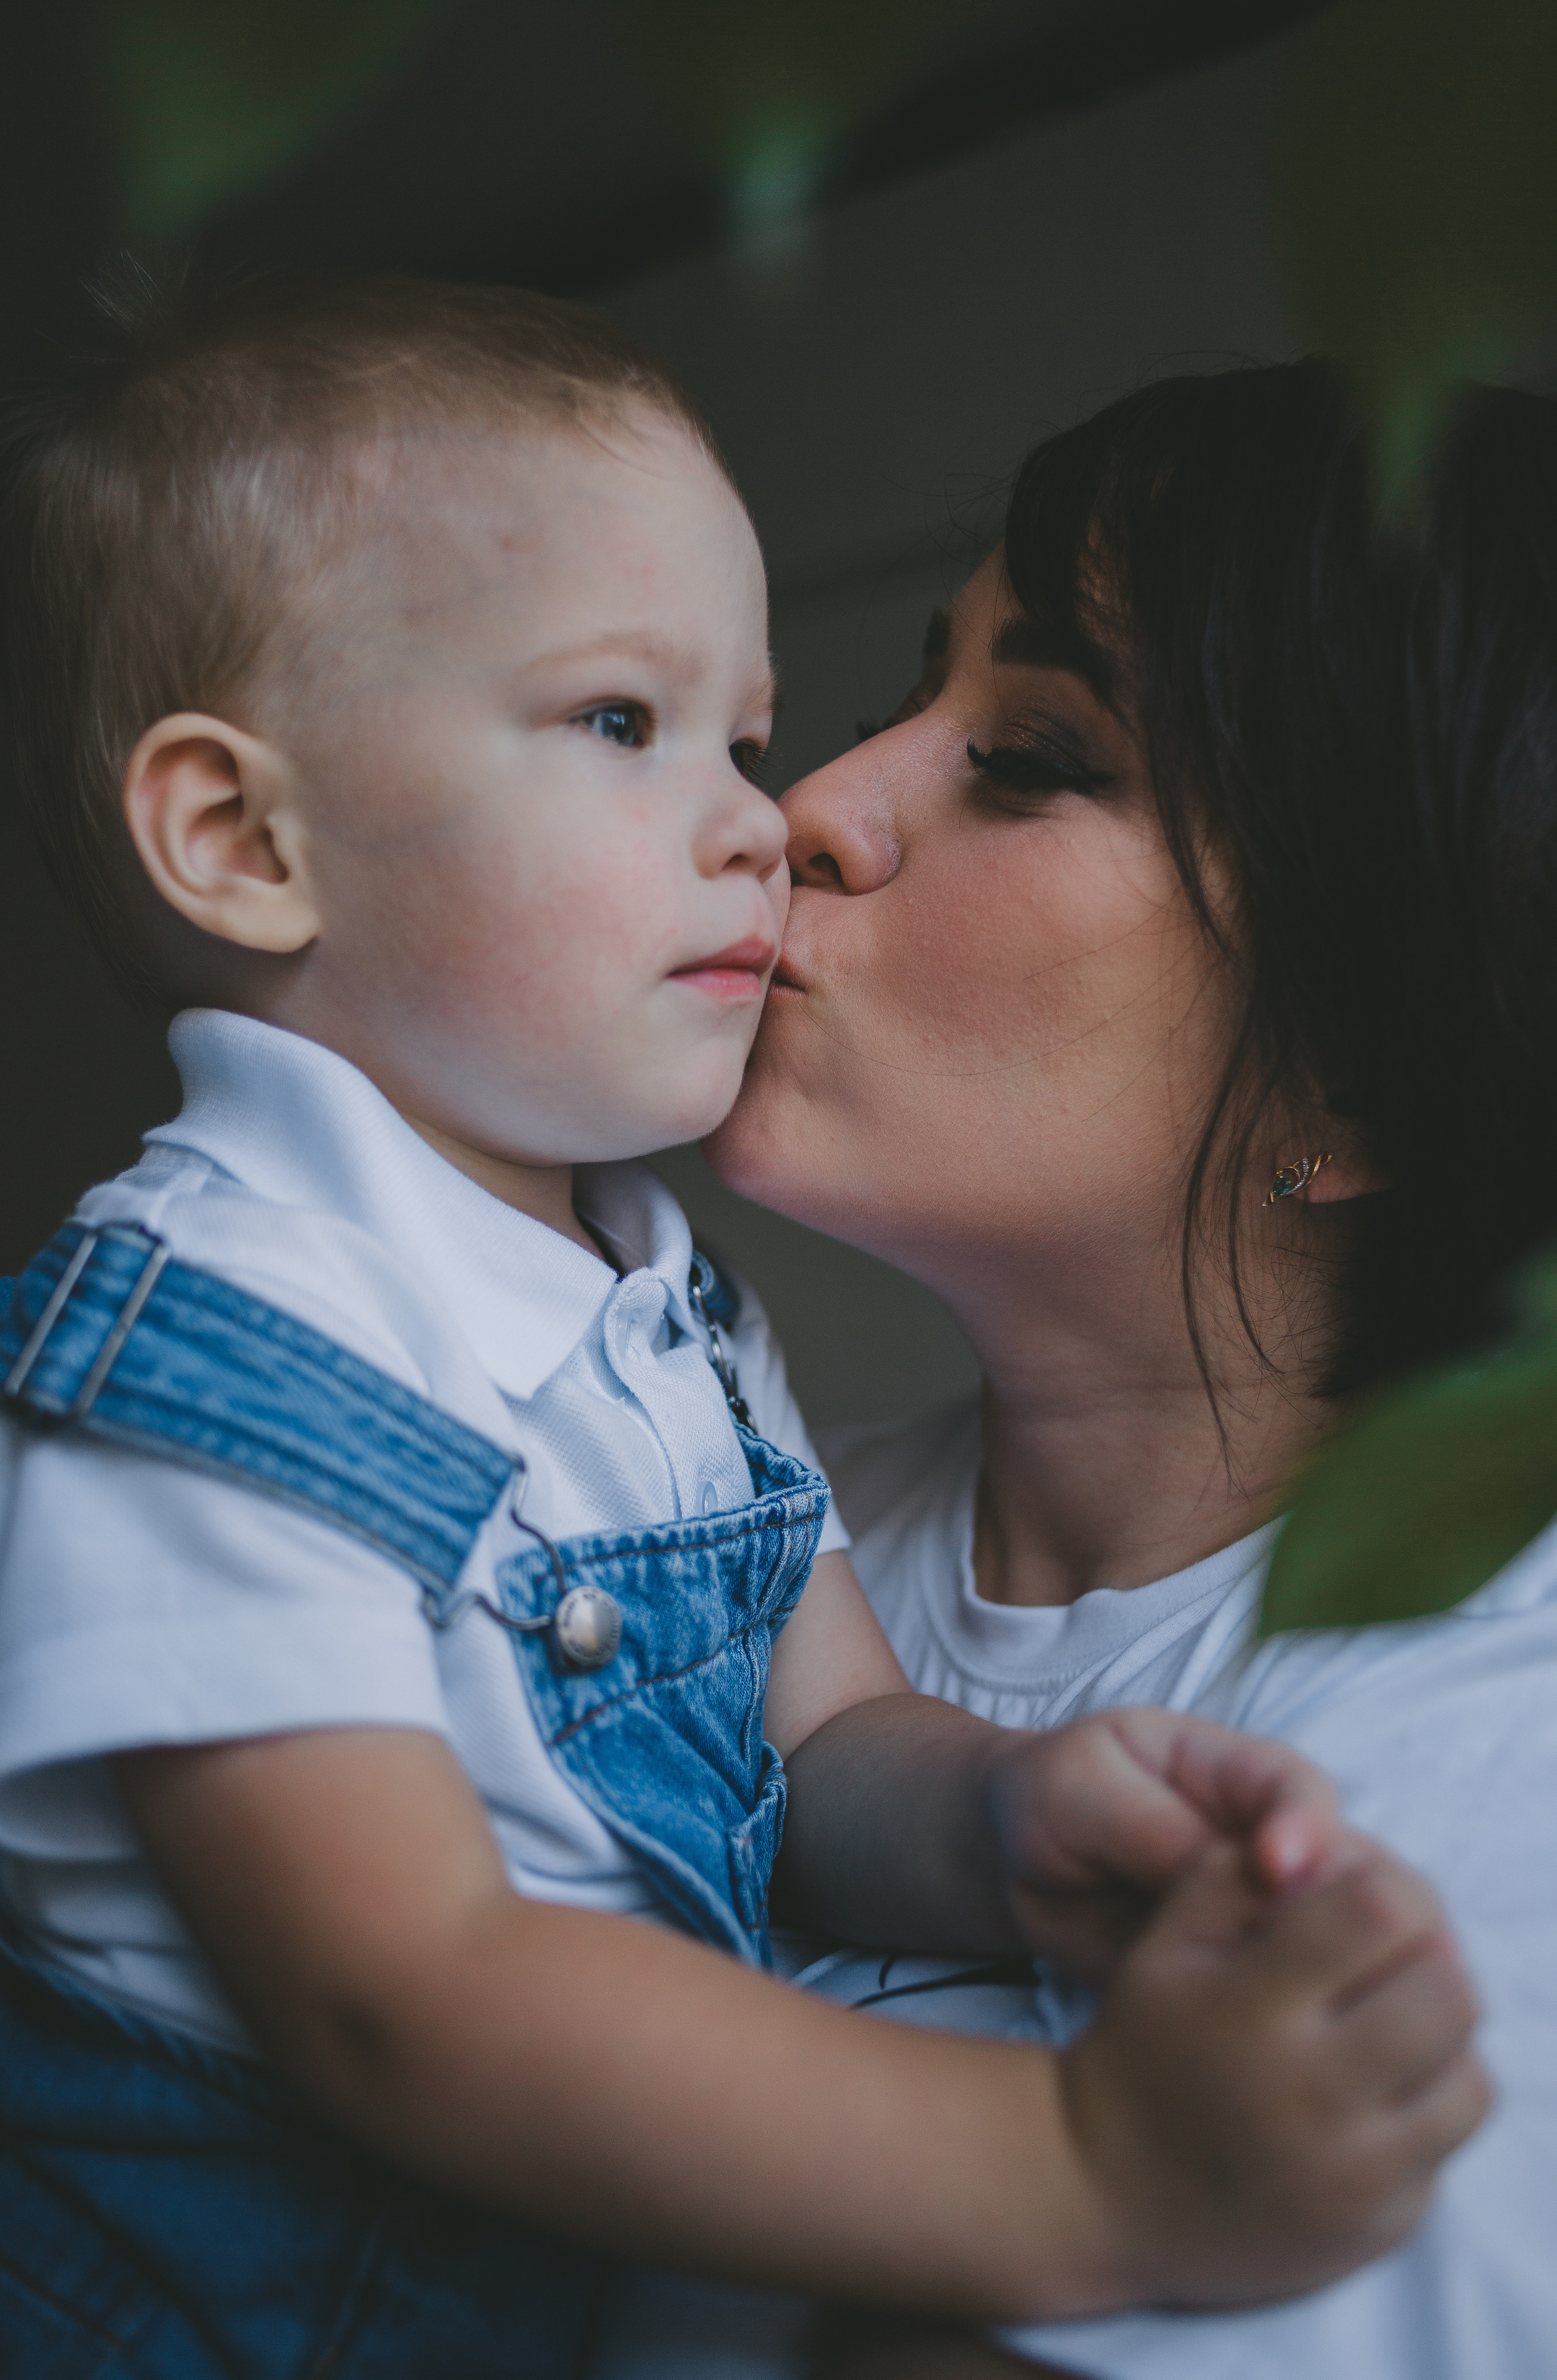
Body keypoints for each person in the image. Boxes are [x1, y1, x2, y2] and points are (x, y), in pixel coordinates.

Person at [0, 283, 1484, 2376]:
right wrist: (1074, 2164)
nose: (783, 814)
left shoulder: (656, 1309)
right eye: (622, 724)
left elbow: (829, 1745)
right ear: (242, 839)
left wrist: (1004, 1818)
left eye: (742, 740)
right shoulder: (209, 1356)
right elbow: (406, 1991)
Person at [695, 361, 1557, 2376]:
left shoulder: (1504, 1729)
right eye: (909, 697)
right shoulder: (710, 1522)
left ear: (1358, 1072)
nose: (804, 810)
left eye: (1029, 757)